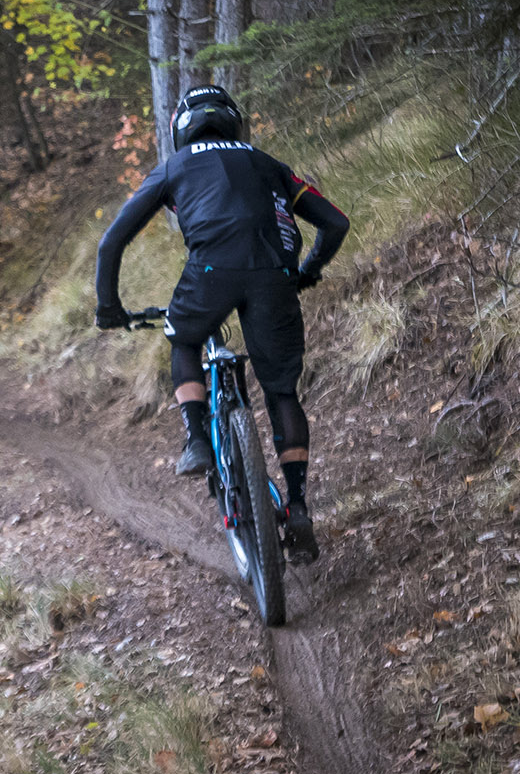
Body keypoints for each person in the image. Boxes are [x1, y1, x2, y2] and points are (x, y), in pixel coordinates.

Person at [92, 85, 349, 564]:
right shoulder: (268, 163)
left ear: (179, 130)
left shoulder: (174, 167)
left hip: (211, 272)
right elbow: (335, 223)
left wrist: (110, 307)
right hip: (275, 278)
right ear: (234, 122)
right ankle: (298, 510)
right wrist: (307, 272)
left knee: (183, 338)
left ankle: (195, 442)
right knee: (282, 394)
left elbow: (112, 242)